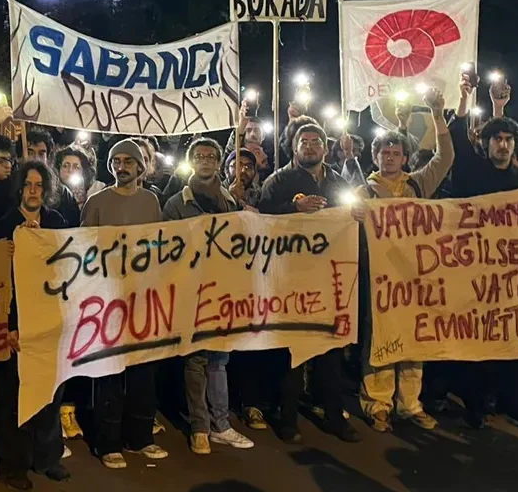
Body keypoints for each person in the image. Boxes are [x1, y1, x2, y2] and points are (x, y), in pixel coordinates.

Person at [446, 79, 518, 429]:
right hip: (476, 272)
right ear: (486, 144)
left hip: (513, 276)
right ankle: (476, 403)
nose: (502, 144)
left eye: (508, 139)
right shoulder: (471, 173)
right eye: (497, 139)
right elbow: (456, 141)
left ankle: (515, 401)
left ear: (515, 145)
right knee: (478, 339)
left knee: (512, 337)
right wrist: (465, 98)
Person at [254, 123, 361, 444]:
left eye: (316, 142)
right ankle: (287, 418)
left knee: (330, 352)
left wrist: (356, 217)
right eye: (304, 141)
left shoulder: (338, 182)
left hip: (330, 281)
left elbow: (349, 219)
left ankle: (334, 416)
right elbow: (263, 221)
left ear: (326, 148)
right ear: (294, 147)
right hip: (292, 282)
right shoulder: (279, 182)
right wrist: (292, 209)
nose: (311, 146)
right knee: (292, 353)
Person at [356, 89, 453, 434]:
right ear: (375, 156)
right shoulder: (362, 192)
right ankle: (377, 403)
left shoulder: (419, 185)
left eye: (397, 152)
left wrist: (438, 115)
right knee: (379, 337)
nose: (391, 157)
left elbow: (445, 159)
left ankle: (410, 404)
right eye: (385, 152)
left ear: (406, 157)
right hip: (380, 278)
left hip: (417, 276)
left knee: (416, 336)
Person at [162, 138, 255, 455]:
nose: (205, 160)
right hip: (192, 291)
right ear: (191, 162)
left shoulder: (232, 202)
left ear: (218, 163)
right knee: (196, 359)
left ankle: (222, 425)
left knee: (219, 359)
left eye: (211, 156)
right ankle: (200, 428)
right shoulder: (176, 204)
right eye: (199, 156)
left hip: (224, 291)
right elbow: (166, 251)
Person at [80, 138, 169, 469]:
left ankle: (141, 437)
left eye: (128, 161)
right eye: (116, 161)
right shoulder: (97, 202)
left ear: (139, 166)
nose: (121, 166)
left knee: (143, 372)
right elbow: (85, 247)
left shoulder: (151, 201)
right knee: (110, 373)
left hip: (144, 300)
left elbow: (160, 247)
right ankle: (108, 443)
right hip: (107, 301)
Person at [0, 160, 71, 489]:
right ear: (20, 189)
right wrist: (7, 325)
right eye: (28, 185)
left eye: (39, 185)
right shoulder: (4, 226)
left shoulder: (57, 223)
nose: (33, 191)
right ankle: (12, 465)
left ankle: (47, 456)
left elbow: (69, 271)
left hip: (50, 323)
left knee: (51, 394)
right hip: (17, 324)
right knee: (13, 397)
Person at [52, 146, 93, 227]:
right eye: (65, 166)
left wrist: (81, 204)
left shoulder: (91, 193)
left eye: (76, 167)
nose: (70, 170)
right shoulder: (51, 195)